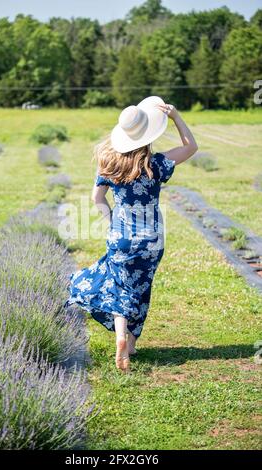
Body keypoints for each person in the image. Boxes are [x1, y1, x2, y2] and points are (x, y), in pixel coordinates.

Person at [64, 96, 198, 373]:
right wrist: (176, 117)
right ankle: (132, 341)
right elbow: (191, 147)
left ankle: (122, 336)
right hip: (152, 239)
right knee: (140, 286)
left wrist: (111, 221)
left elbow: (96, 197)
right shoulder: (156, 164)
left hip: (121, 236)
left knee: (118, 284)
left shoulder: (109, 163)